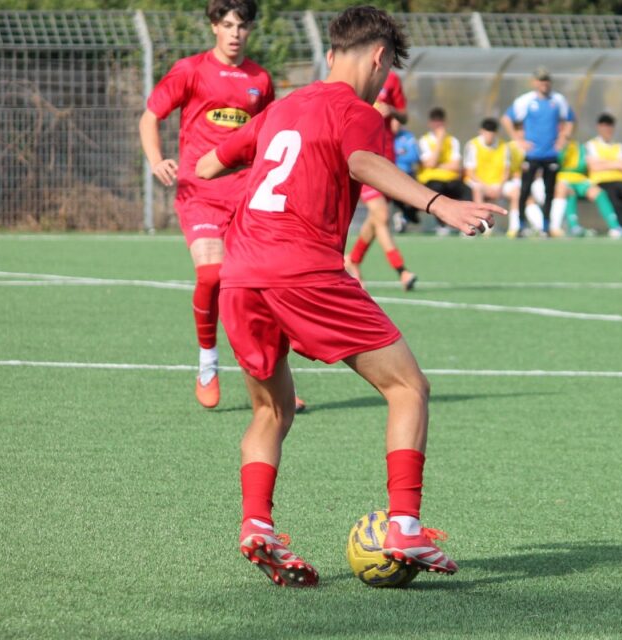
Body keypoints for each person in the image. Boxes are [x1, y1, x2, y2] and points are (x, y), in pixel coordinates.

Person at [195, 5, 503, 586]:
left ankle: (256, 524)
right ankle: (405, 524)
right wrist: (442, 204)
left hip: (240, 273)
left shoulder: (282, 105)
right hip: (303, 270)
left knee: (271, 409)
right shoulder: (357, 113)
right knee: (408, 386)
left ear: (331, 52)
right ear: (380, 59)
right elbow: (363, 161)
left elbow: (211, 161)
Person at [139, 0, 305, 412]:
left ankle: (272, 384)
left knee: (260, 290)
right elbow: (149, 117)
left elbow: (268, 134)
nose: (234, 33)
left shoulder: (260, 80)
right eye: (227, 24)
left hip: (246, 195)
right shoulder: (190, 70)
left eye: (242, 26)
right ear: (214, 27)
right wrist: (156, 160)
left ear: (250, 31)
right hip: (199, 193)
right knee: (212, 276)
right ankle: (208, 363)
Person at [345, 70, 417, 290]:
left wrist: (392, 110)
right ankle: (402, 270)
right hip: (363, 157)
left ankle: (353, 261)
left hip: (387, 159)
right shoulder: (354, 74)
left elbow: (404, 115)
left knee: (377, 220)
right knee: (381, 214)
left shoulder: (392, 79)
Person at [502, 67, 573, 237]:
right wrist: (519, 140)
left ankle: (546, 226)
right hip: (532, 154)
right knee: (525, 189)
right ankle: (520, 224)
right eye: (541, 81)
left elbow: (570, 120)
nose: (544, 84)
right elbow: (506, 119)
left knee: (550, 191)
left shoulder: (558, 100)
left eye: (546, 80)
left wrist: (563, 138)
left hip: (551, 154)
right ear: (534, 82)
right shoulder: (525, 101)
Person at [555, 139, 622, 237]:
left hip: (580, 180)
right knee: (570, 192)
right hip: (563, 179)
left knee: (600, 193)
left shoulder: (580, 147)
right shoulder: (556, 145)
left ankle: (615, 227)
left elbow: (589, 162)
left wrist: (616, 163)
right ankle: (573, 227)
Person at [417, 107, 469, 235]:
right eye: (435, 122)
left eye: (440, 121)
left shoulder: (453, 141)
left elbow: (456, 166)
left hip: (450, 179)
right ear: (430, 123)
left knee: (467, 190)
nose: (437, 125)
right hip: (431, 181)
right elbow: (429, 164)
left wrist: (437, 165)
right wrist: (440, 141)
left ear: (444, 122)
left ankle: (467, 224)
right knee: (437, 188)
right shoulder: (424, 141)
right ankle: (442, 225)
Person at [463, 118, 521, 232]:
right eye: (486, 133)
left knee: (516, 192)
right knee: (477, 189)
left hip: (498, 184)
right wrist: (487, 187)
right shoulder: (472, 145)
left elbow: (506, 170)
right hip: (480, 183)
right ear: (481, 132)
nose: (489, 136)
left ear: (496, 133)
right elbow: (470, 173)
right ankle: (484, 227)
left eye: (492, 133)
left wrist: (499, 187)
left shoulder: (504, 146)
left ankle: (515, 228)